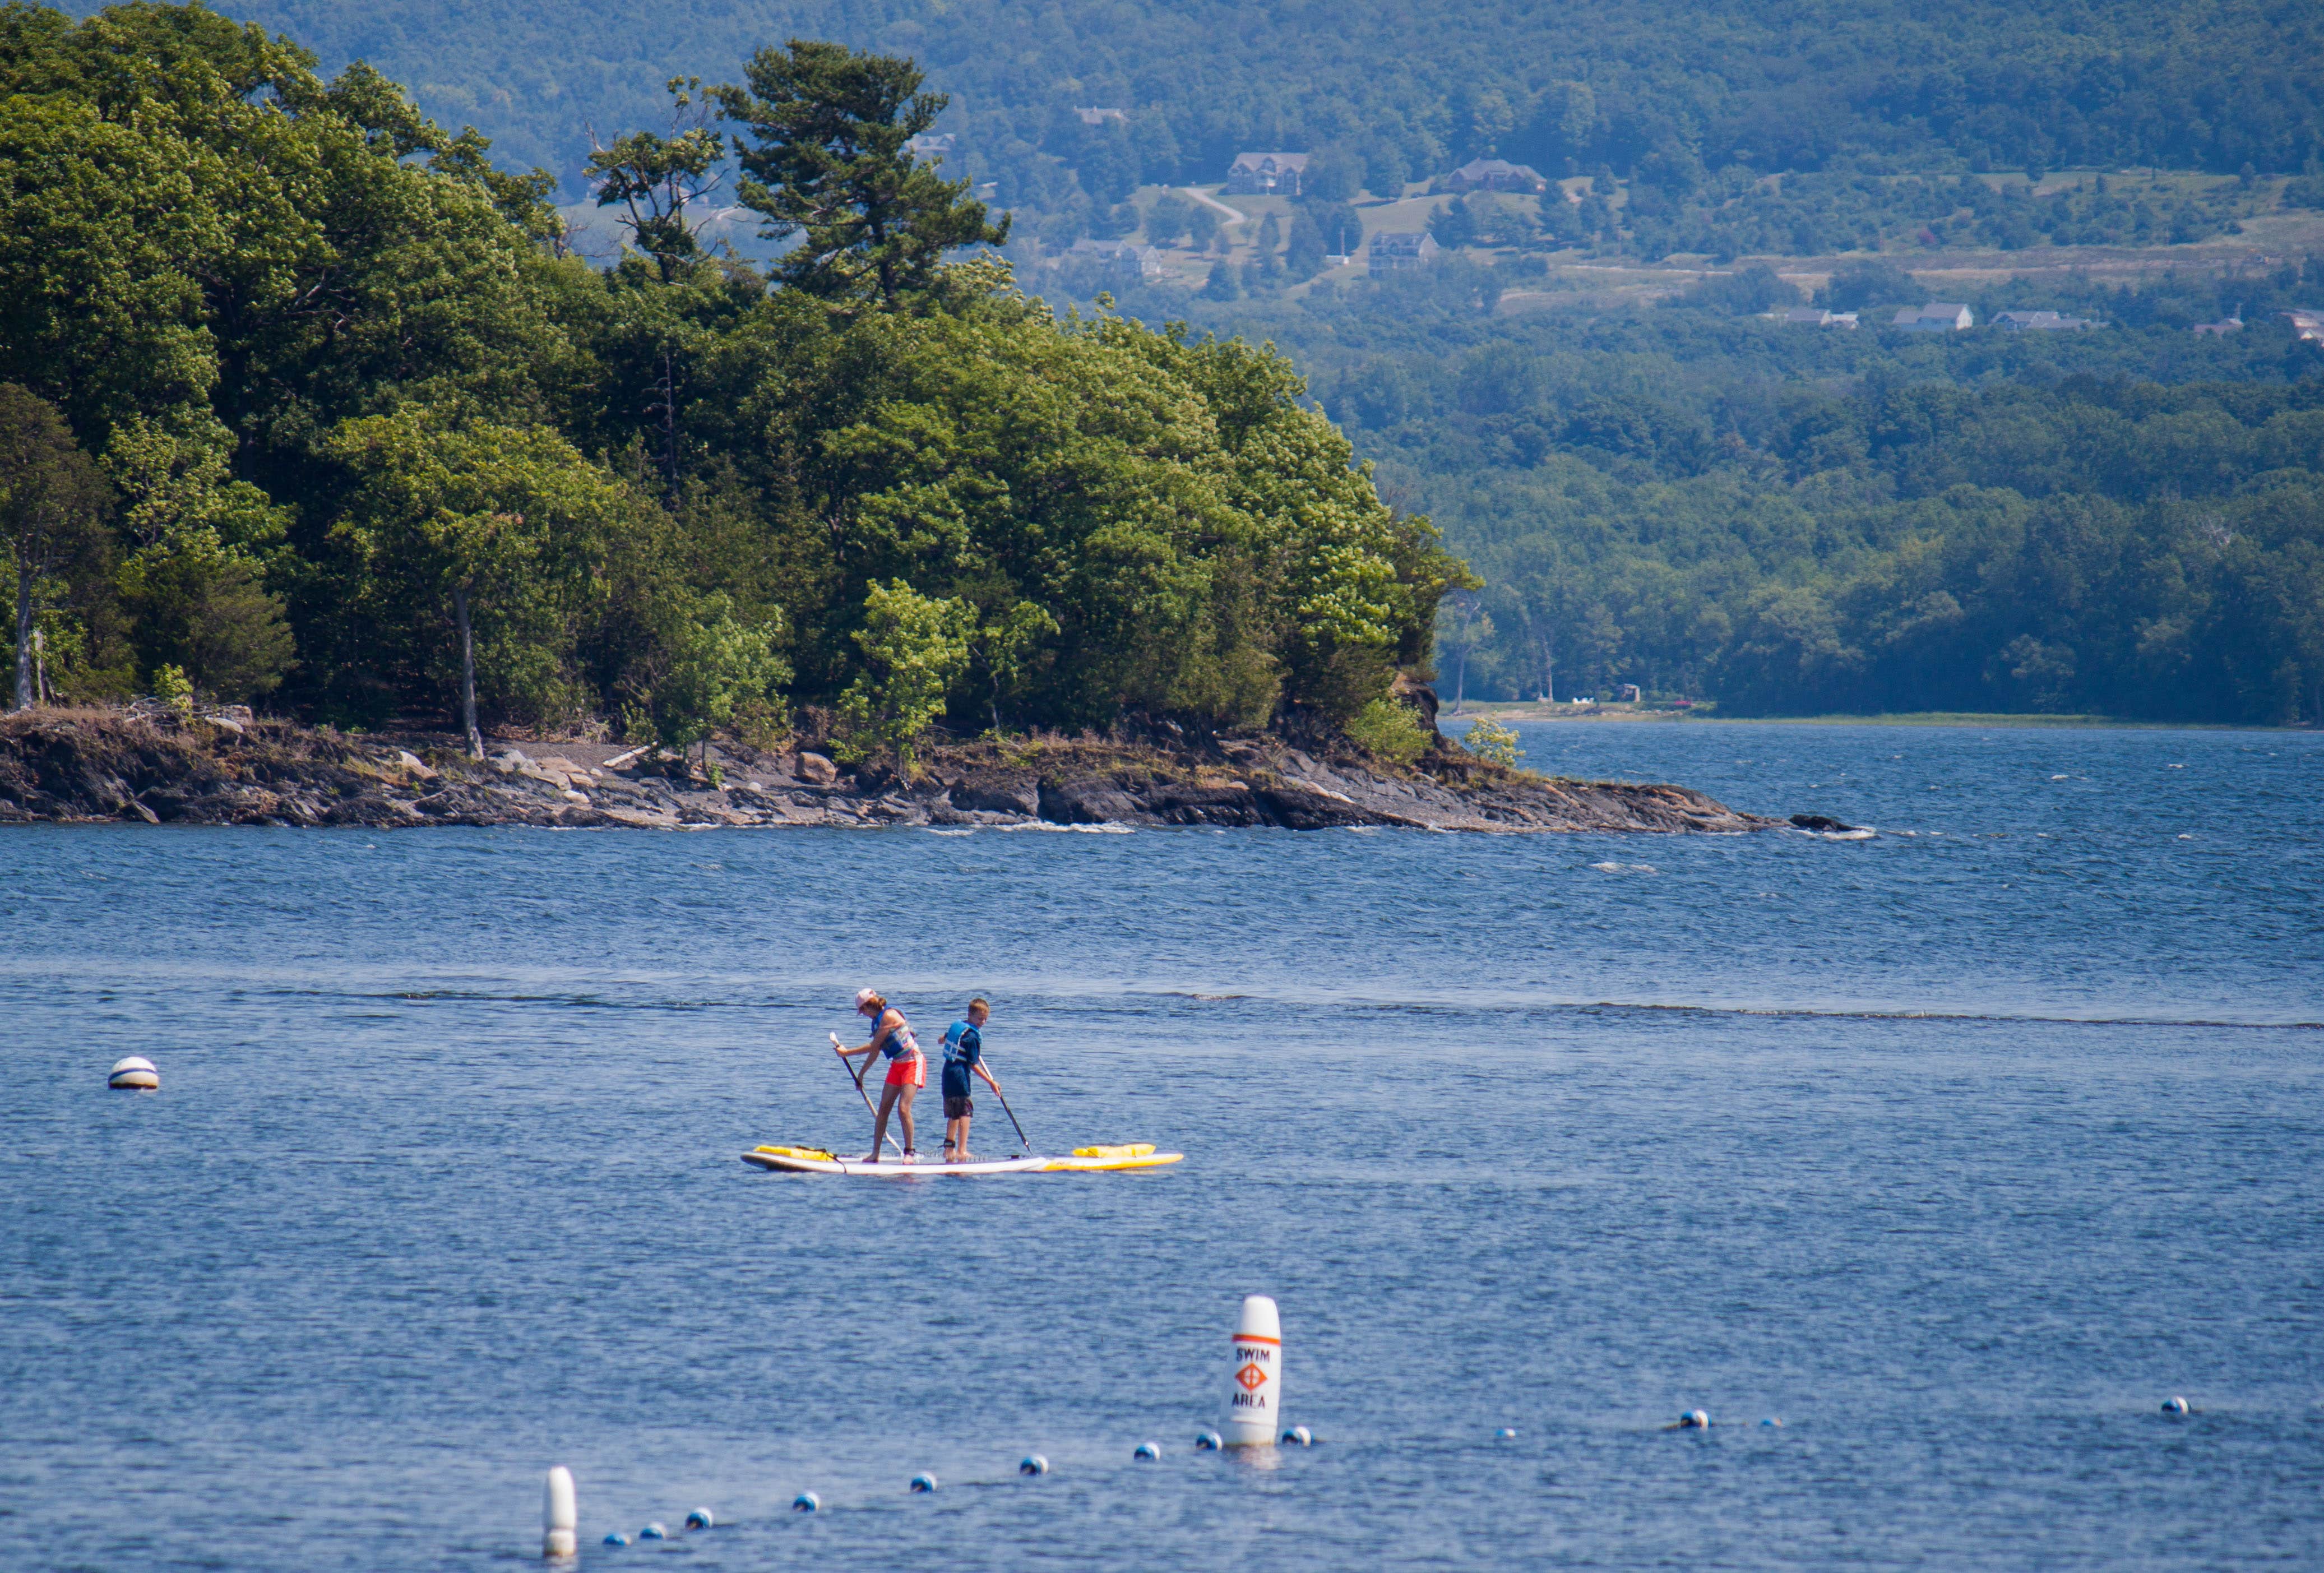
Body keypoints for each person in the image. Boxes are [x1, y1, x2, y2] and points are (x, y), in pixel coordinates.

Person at [837, 988, 922, 1162]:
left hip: (913, 1062)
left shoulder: (889, 1016)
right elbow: (875, 1053)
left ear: (869, 1006)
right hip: (897, 1064)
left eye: (863, 1011)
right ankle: (875, 1154)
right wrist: (861, 1075)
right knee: (883, 1109)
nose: (865, 1015)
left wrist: (846, 1053)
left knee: (903, 1109)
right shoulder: (876, 1022)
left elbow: (874, 1046)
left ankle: (909, 1153)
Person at [937, 998, 1004, 1161]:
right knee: (965, 1111)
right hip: (960, 1076)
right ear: (970, 1015)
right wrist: (991, 1082)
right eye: (980, 1018)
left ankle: (949, 1151)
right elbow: (973, 1065)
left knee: (955, 1114)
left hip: (947, 1073)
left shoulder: (958, 1027)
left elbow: (942, 1039)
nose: (983, 1022)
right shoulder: (972, 1037)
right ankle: (962, 1150)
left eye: (986, 1019)